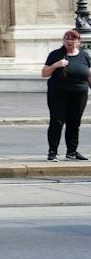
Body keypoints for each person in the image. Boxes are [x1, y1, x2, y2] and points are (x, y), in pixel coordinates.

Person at [41, 29, 90, 162]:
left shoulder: (84, 55)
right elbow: (44, 73)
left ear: (78, 41)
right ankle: (52, 152)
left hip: (79, 94)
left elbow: (89, 74)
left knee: (74, 123)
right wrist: (56, 65)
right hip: (58, 94)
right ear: (63, 41)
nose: (69, 41)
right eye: (67, 39)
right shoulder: (56, 54)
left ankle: (72, 152)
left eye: (72, 39)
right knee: (57, 122)